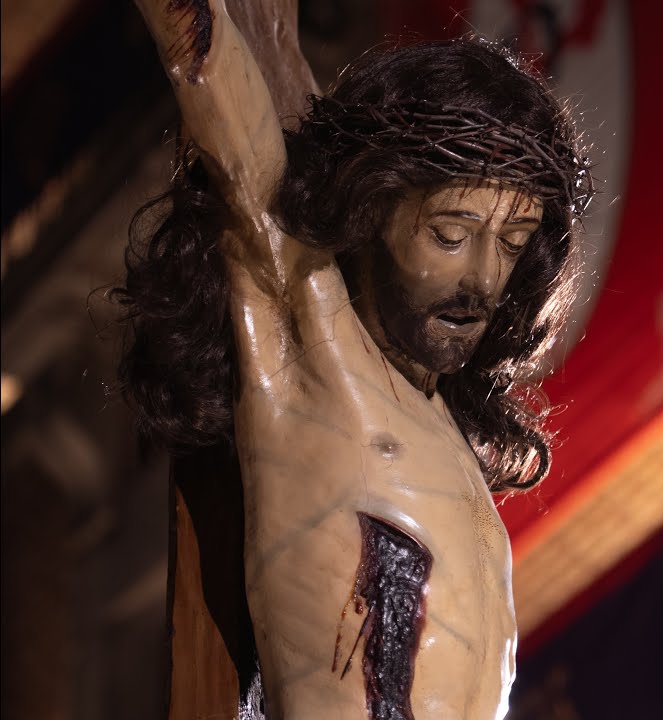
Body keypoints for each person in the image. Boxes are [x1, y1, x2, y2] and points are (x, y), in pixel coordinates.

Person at [116, 1, 592, 717]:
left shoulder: (445, 431)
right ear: (371, 208)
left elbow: (287, 94)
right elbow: (212, 74)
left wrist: (277, 36)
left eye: (514, 240)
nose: (483, 279)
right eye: (450, 233)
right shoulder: (310, 340)